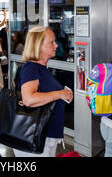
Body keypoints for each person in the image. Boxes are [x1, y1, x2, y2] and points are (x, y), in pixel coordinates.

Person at [14, 26, 73, 157]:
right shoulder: (31, 68)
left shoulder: (41, 68)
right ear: (38, 45)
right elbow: (29, 99)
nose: (56, 45)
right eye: (51, 42)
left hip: (44, 136)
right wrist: (60, 93)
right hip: (35, 138)